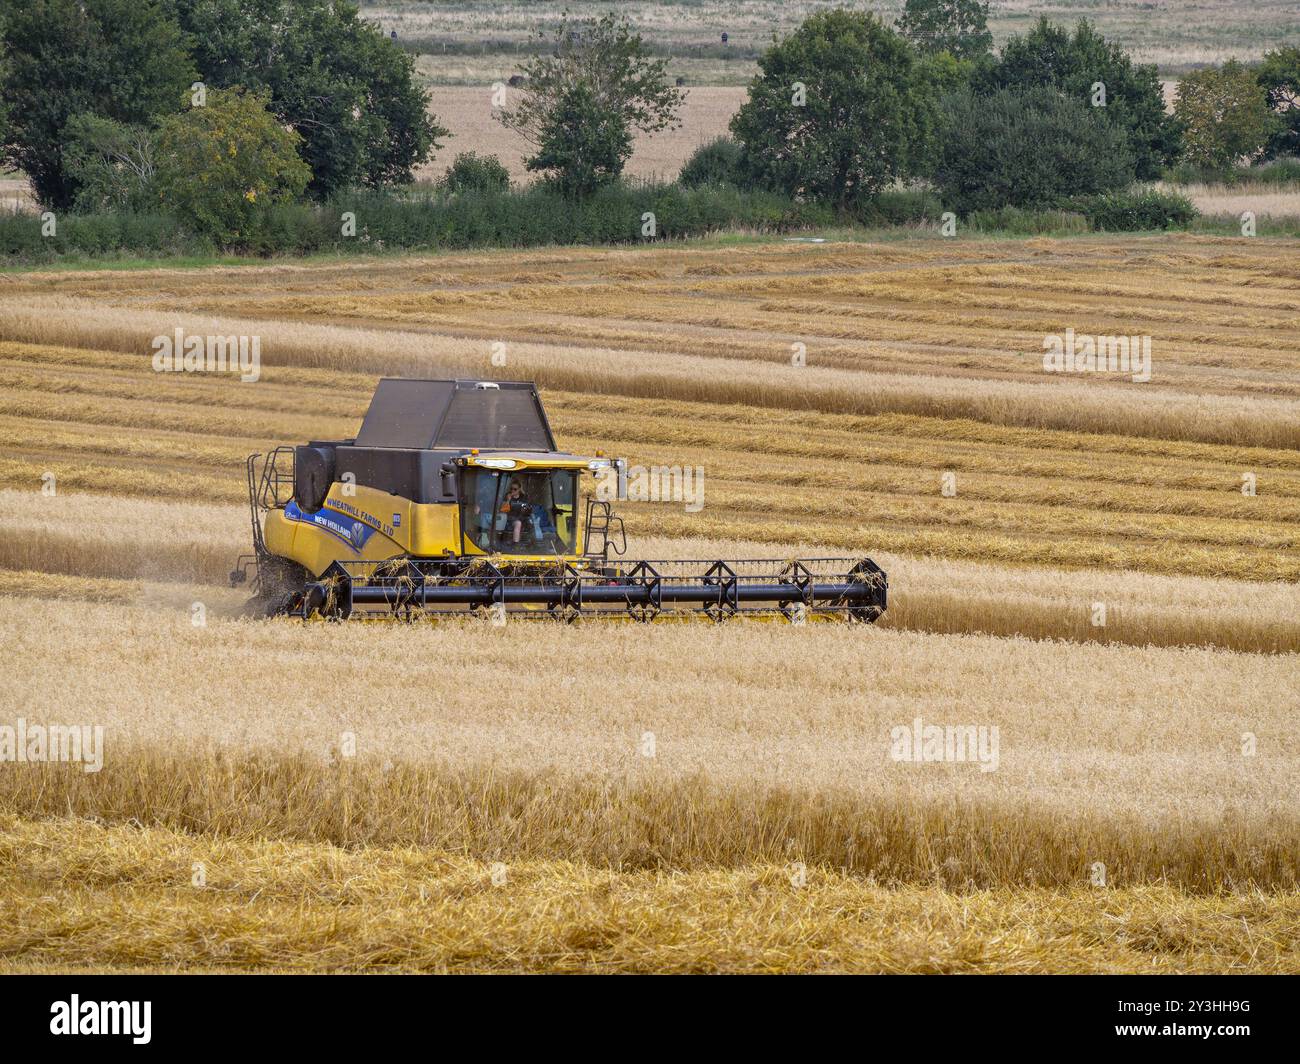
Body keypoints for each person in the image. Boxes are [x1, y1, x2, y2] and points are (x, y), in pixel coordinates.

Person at [500, 479, 531, 544]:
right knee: (518, 523)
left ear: (519, 489)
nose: (512, 491)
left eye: (515, 489)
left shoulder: (524, 497)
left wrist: (525, 509)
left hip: (523, 518)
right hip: (511, 519)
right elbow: (503, 510)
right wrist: (508, 500)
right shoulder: (507, 496)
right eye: (511, 489)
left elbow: (528, 508)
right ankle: (516, 544)